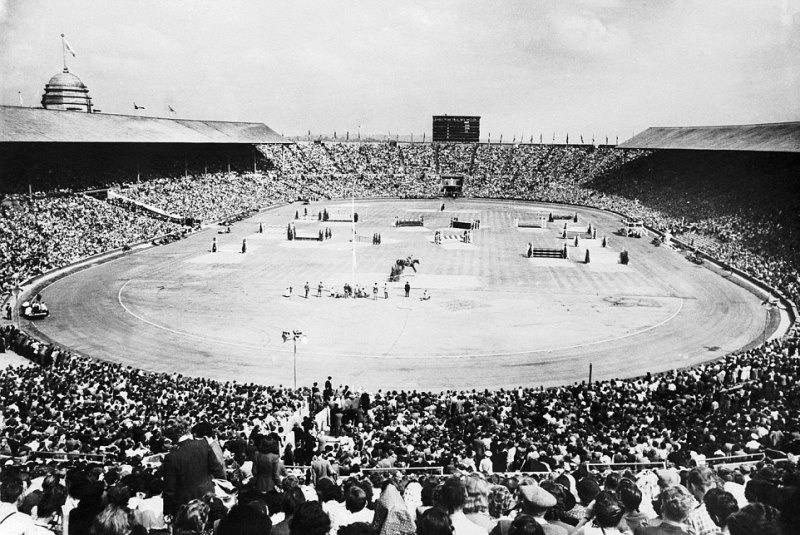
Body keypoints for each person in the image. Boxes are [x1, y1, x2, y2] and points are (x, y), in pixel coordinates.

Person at [162, 418, 226, 518]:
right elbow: (218, 471)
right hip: (208, 497)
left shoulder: (171, 457)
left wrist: (167, 512)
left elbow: (170, 490)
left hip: (186, 505)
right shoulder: (203, 444)